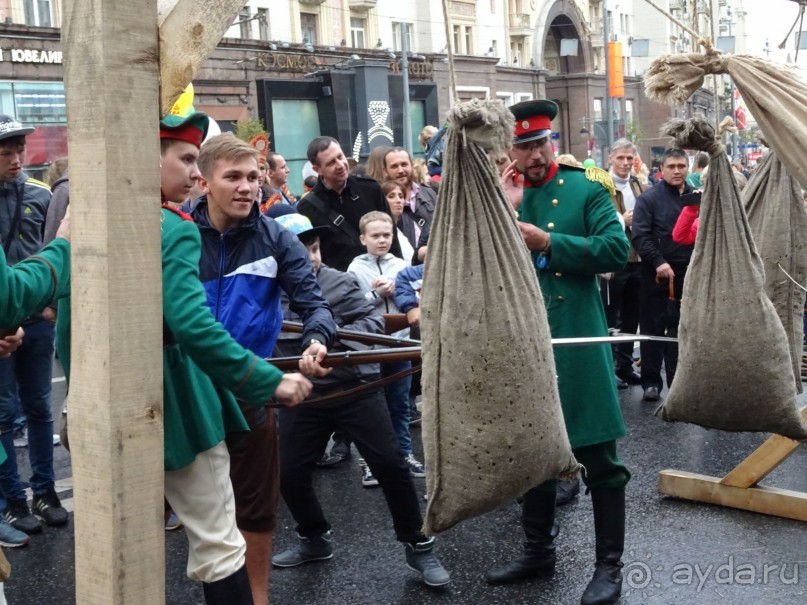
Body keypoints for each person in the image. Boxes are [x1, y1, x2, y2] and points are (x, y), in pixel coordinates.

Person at [57, 112, 313, 605]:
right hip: (176, 401)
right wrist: (268, 381)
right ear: (144, 160)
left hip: (94, 403)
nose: (196, 174)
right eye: (188, 160)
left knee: (115, 542)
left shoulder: (83, 221)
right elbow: (192, 326)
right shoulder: (174, 228)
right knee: (219, 542)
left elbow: (66, 325)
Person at [487, 100, 630, 605]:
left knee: (597, 455)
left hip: (577, 337)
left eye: (539, 143)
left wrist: (549, 240)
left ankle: (609, 567)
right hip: (523, 340)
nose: (532, 156)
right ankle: (537, 552)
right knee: (533, 451)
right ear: (511, 151)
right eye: (522, 147)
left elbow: (616, 251)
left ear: (553, 141)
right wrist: (504, 206)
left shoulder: (587, 190)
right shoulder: (500, 196)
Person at [269, 209, 450, 589]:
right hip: (303, 395)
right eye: (301, 251)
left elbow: (370, 323)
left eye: (315, 248)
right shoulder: (269, 292)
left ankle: (418, 544)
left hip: (356, 390)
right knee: (288, 472)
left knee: (392, 466)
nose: (311, 257)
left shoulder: (340, 282)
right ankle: (314, 536)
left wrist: (325, 338)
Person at [190, 133, 336, 605]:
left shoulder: (277, 238)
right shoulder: (177, 234)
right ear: (204, 181)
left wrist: (316, 339)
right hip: (186, 393)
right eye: (232, 176)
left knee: (253, 510)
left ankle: (256, 599)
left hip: (250, 390)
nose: (246, 187)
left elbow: (315, 304)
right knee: (193, 512)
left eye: (253, 176)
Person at [0, 114, 66, 538]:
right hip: (2, 326)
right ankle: (11, 501)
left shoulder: (40, 194)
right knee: (4, 413)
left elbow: (50, 251)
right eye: (7, 153)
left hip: (36, 322)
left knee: (40, 407)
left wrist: (49, 304)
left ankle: (45, 492)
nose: (17, 159)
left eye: (20, 151)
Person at [348, 211, 425, 478]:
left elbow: (414, 298)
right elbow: (352, 307)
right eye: (375, 236)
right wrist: (375, 294)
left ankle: (404, 453)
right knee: (373, 407)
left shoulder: (402, 266)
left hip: (399, 344)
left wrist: (401, 291)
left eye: (386, 235)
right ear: (363, 239)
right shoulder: (355, 268)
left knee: (400, 404)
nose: (382, 240)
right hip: (370, 349)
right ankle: (372, 461)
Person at [631, 148, 694, 402]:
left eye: (681, 166)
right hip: (657, 274)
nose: (677, 171)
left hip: (688, 273)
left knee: (682, 330)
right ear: (662, 169)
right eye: (672, 166)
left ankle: (679, 383)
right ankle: (651, 382)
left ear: (687, 167)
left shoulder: (696, 196)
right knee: (653, 329)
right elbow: (640, 236)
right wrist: (658, 261)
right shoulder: (649, 199)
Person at [297, 136, 402, 271]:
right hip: (339, 285)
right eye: (331, 163)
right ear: (317, 169)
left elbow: (391, 234)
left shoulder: (370, 189)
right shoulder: (307, 207)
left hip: (381, 277)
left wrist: (398, 276)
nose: (340, 165)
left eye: (340, 157)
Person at [605, 139, 645, 388]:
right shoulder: (600, 184)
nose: (625, 163)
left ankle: (625, 365)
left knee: (632, 316)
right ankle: (608, 369)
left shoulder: (636, 182)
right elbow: (596, 216)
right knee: (610, 316)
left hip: (638, 257)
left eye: (629, 158)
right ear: (610, 158)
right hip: (614, 258)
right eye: (620, 158)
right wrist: (622, 218)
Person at [382, 147, 436, 254]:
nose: (401, 170)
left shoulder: (430, 193)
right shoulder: (379, 199)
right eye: (394, 166)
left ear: (411, 165)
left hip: (432, 262)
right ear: (385, 171)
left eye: (404, 164)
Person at [381, 180, 415, 263]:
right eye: (391, 196)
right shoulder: (381, 232)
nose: (398, 200)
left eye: (401, 196)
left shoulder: (400, 232)